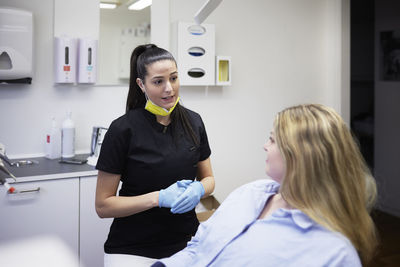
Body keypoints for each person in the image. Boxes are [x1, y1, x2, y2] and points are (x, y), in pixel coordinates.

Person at [153, 104, 378, 267]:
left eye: (272, 140)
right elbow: (200, 246)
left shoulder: (334, 252)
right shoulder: (251, 193)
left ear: (299, 156)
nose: (264, 146)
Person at [95, 44, 215, 266]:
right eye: (158, 81)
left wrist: (199, 189)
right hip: (132, 249)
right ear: (141, 84)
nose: (169, 88)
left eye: (174, 78)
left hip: (186, 246)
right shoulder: (123, 129)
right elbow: (103, 206)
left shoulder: (194, 122)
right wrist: (157, 199)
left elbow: (209, 180)